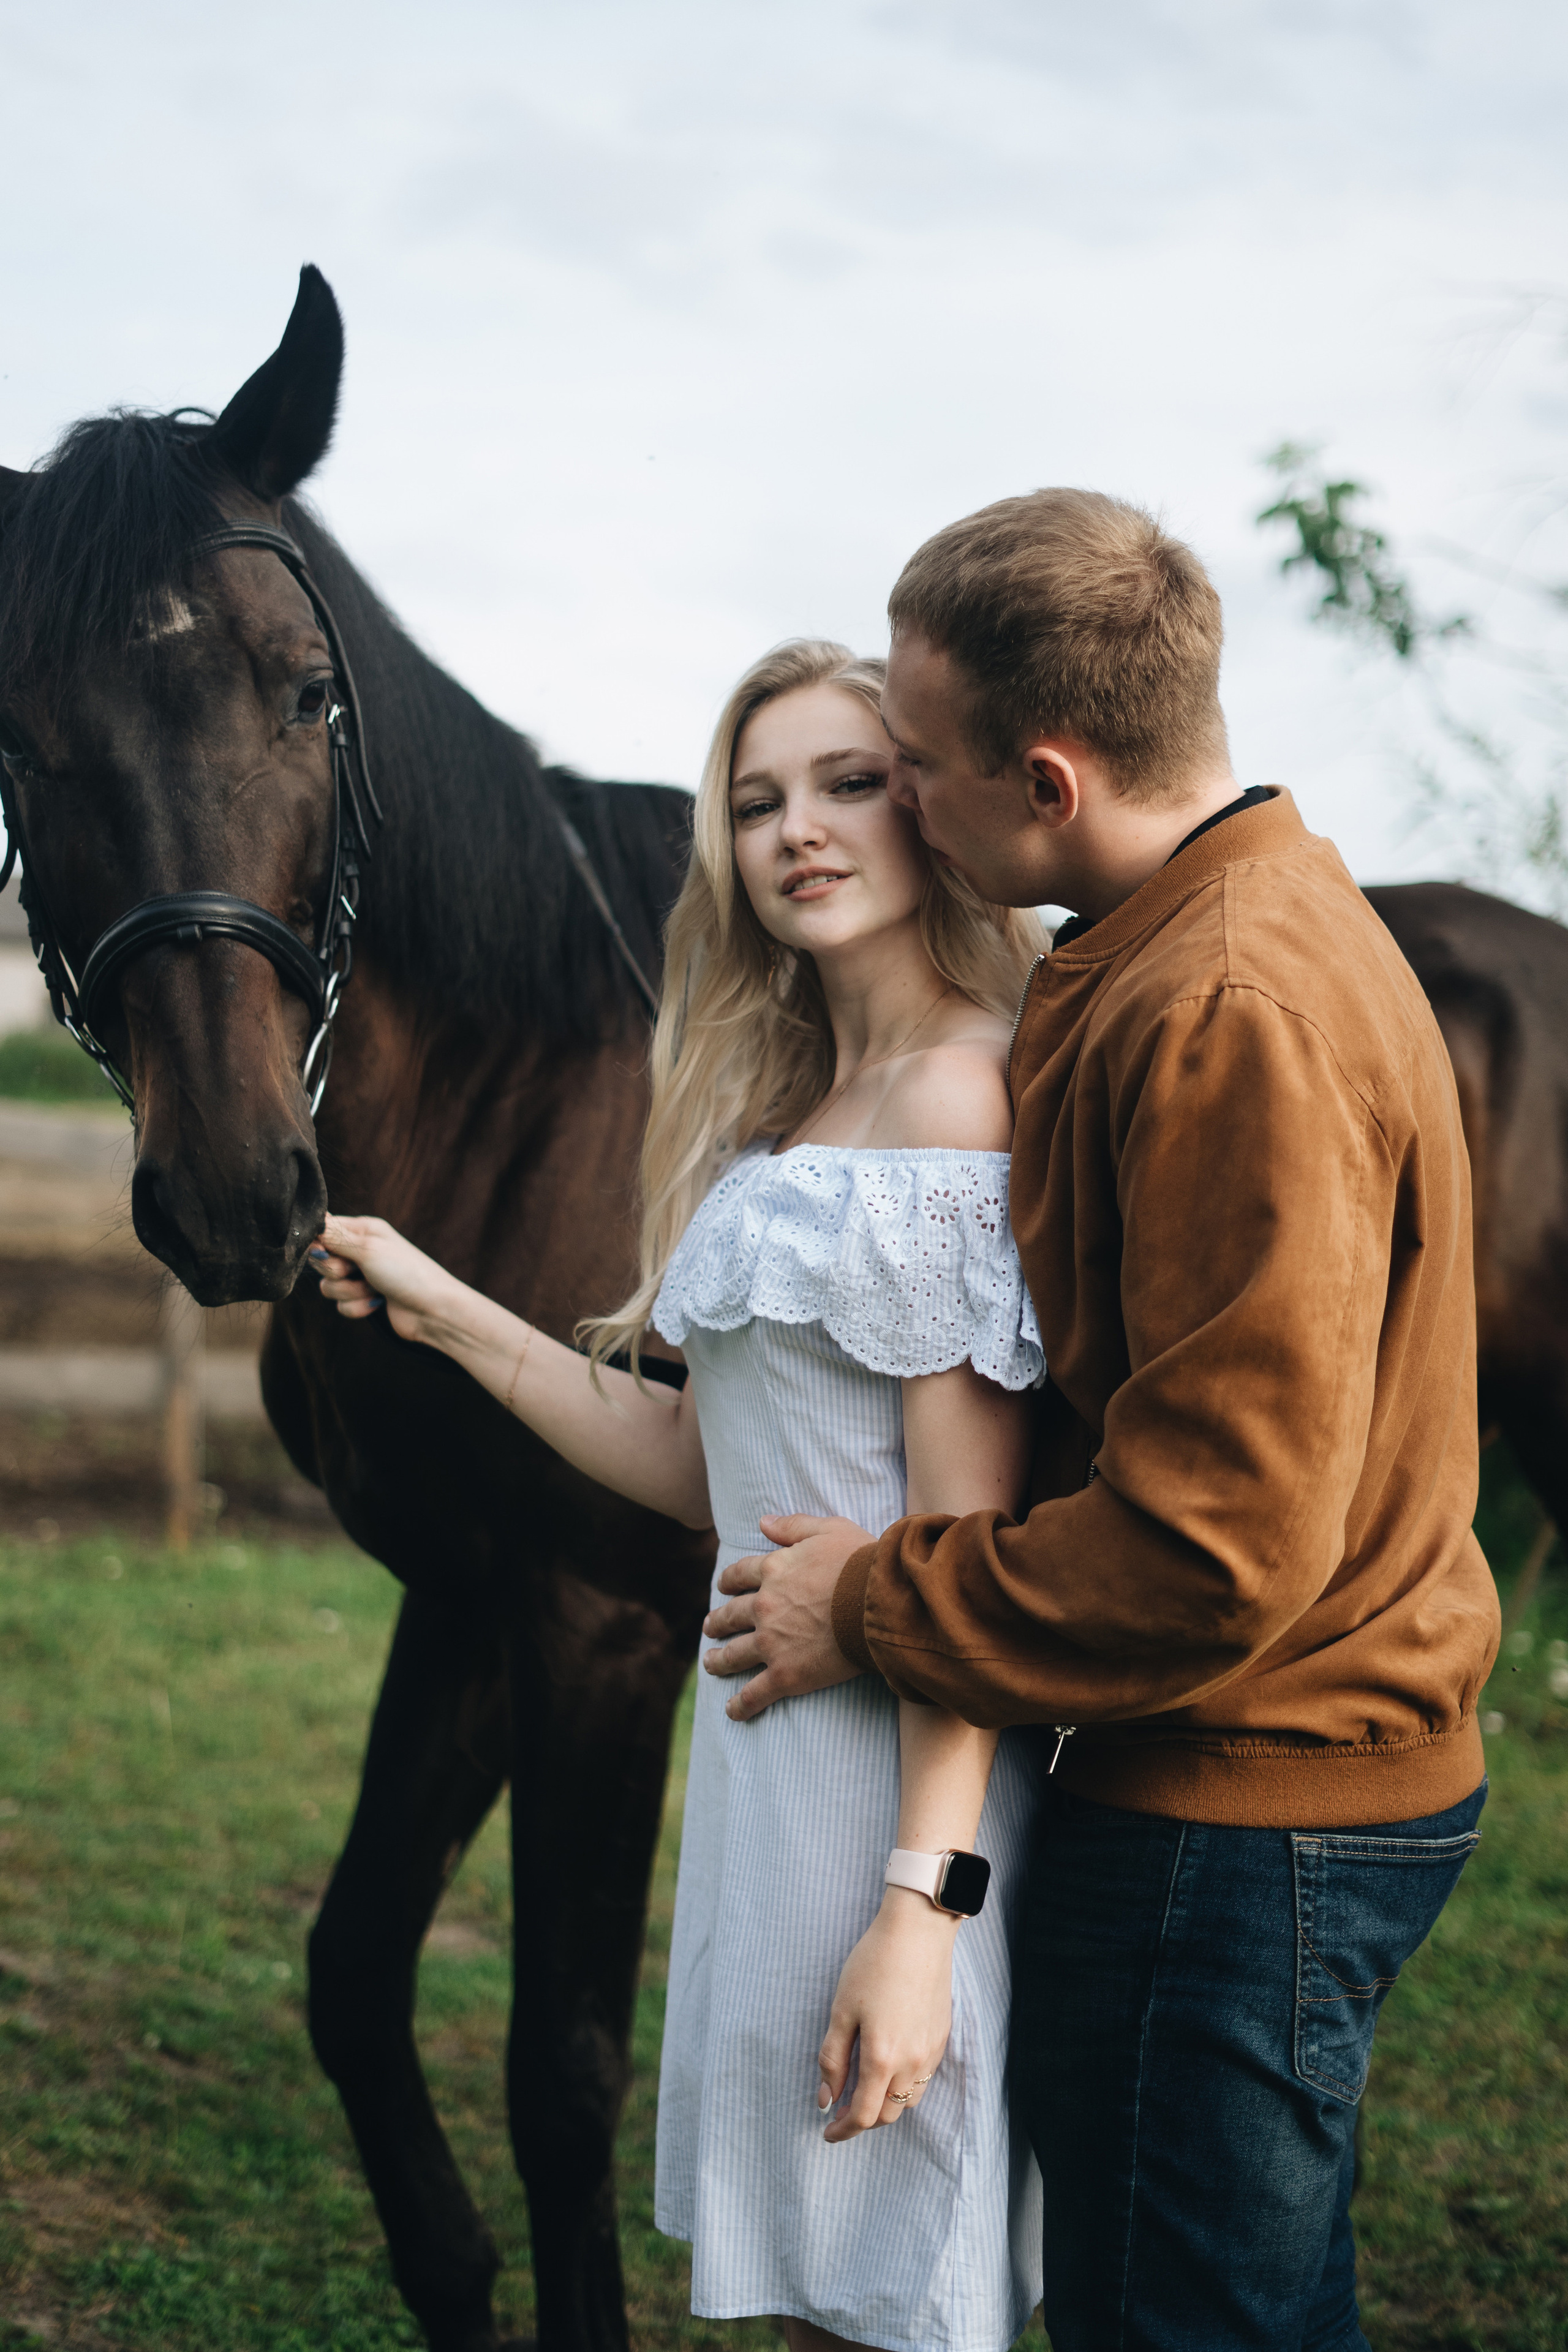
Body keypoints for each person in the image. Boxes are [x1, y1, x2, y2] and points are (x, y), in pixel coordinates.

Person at [700, 493, 1502, 2351]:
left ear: (1043, 782)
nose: (889, 801)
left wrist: (875, 1603)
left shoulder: (1229, 1009)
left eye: (908, 765)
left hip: (1247, 1813)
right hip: (1267, 1777)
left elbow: (1217, 1540)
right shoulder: (1205, 931)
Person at [307, 639, 1051, 2352]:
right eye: (756, 801)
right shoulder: (795, 1112)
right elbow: (707, 1472)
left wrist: (920, 1913)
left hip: (895, 1786)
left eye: (847, 783)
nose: (797, 829)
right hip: (767, 1775)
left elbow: (959, 1554)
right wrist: (443, 1303)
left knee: (907, 2285)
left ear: (929, 805)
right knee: (824, 2281)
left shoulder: (952, 1097)